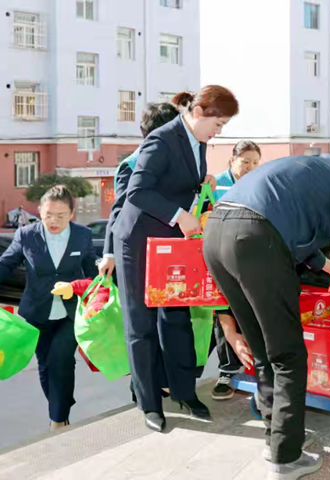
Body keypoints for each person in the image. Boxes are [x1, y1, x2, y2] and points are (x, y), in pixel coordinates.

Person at [203, 140, 330, 480]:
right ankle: (286, 458)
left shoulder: (319, 167)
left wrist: (324, 264)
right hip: (255, 239)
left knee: (262, 347)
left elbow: (291, 219)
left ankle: (274, 439)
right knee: (289, 354)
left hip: (217, 233)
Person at [112, 85, 239, 432]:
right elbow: (137, 192)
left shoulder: (197, 141)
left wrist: (202, 184)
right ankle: (150, 403)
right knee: (141, 326)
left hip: (171, 244)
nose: (219, 131)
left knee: (177, 320)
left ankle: (185, 392)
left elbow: (179, 181)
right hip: (138, 242)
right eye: (219, 123)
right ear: (199, 113)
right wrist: (178, 215)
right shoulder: (161, 139)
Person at [0, 186, 97, 431]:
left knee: (60, 359)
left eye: (61, 216)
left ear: (72, 213)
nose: (54, 221)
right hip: (37, 314)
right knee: (44, 364)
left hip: (69, 313)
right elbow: (6, 264)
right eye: (48, 215)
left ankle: (58, 419)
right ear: (40, 212)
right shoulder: (26, 235)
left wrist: (75, 286)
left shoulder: (82, 236)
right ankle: (60, 407)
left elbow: (93, 278)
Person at [98, 102, 180, 278]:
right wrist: (109, 253)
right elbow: (119, 209)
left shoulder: (177, 162)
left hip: (172, 246)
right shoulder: (132, 165)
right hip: (140, 250)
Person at [210, 140, 262, 401]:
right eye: (245, 162)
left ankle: (255, 366)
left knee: (251, 312)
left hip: (251, 259)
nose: (250, 167)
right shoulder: (216, 184)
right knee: (223, 312)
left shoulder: (258, 185)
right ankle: (227, 371)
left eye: (255, 163)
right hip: (219, 257)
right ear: (232, 161)